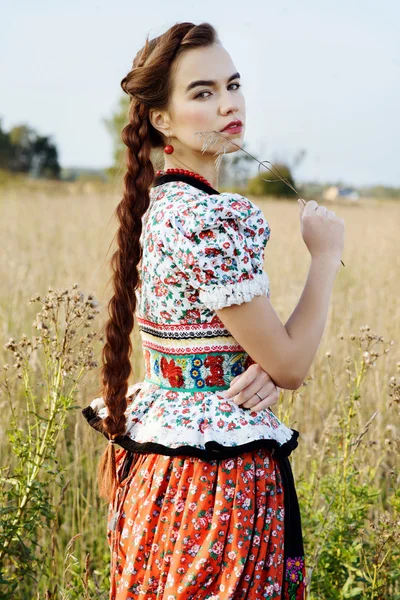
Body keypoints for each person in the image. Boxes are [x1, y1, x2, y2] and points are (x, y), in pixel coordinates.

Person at [82, 21, 345, 600]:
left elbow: (209, 351)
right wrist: (325, 258)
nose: (229, 104)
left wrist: (254, 372)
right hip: (216, 484)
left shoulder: (160, 205)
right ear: (161, 118)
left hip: (163, 477)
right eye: (202, 92)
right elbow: (293, 363)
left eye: (233, 84)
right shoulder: (211, 219)